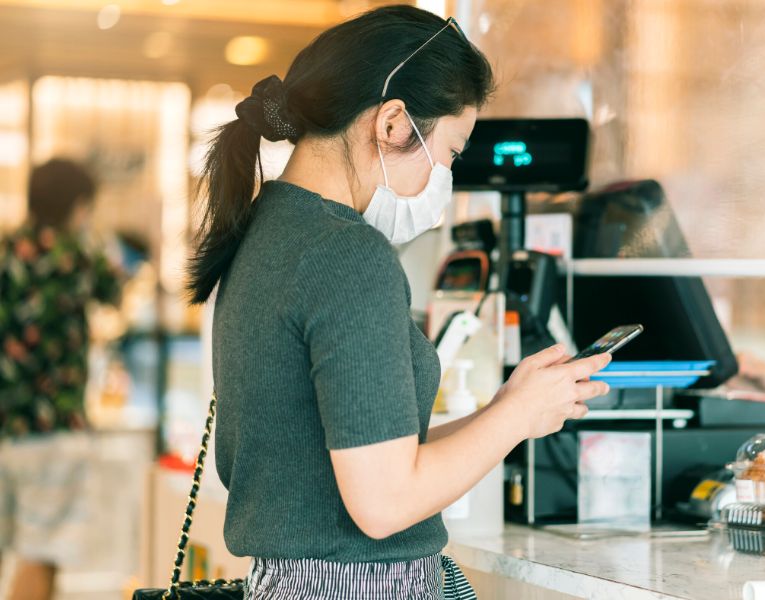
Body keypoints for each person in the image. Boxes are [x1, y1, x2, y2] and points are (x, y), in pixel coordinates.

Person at [186, 6, 610, 598]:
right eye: (452, 152)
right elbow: (383, 504)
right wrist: (515, 419)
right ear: (391, 123)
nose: (446, 176)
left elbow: (359, 457)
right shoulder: (347, 256)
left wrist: (510, 408)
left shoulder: (268, 232)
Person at [0, 158, 121, 600]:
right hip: (49, 429)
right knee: (41, 553)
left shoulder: (7, 248)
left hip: (6, 424)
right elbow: (115, 290)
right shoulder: (76, 254)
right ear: (78, 204)